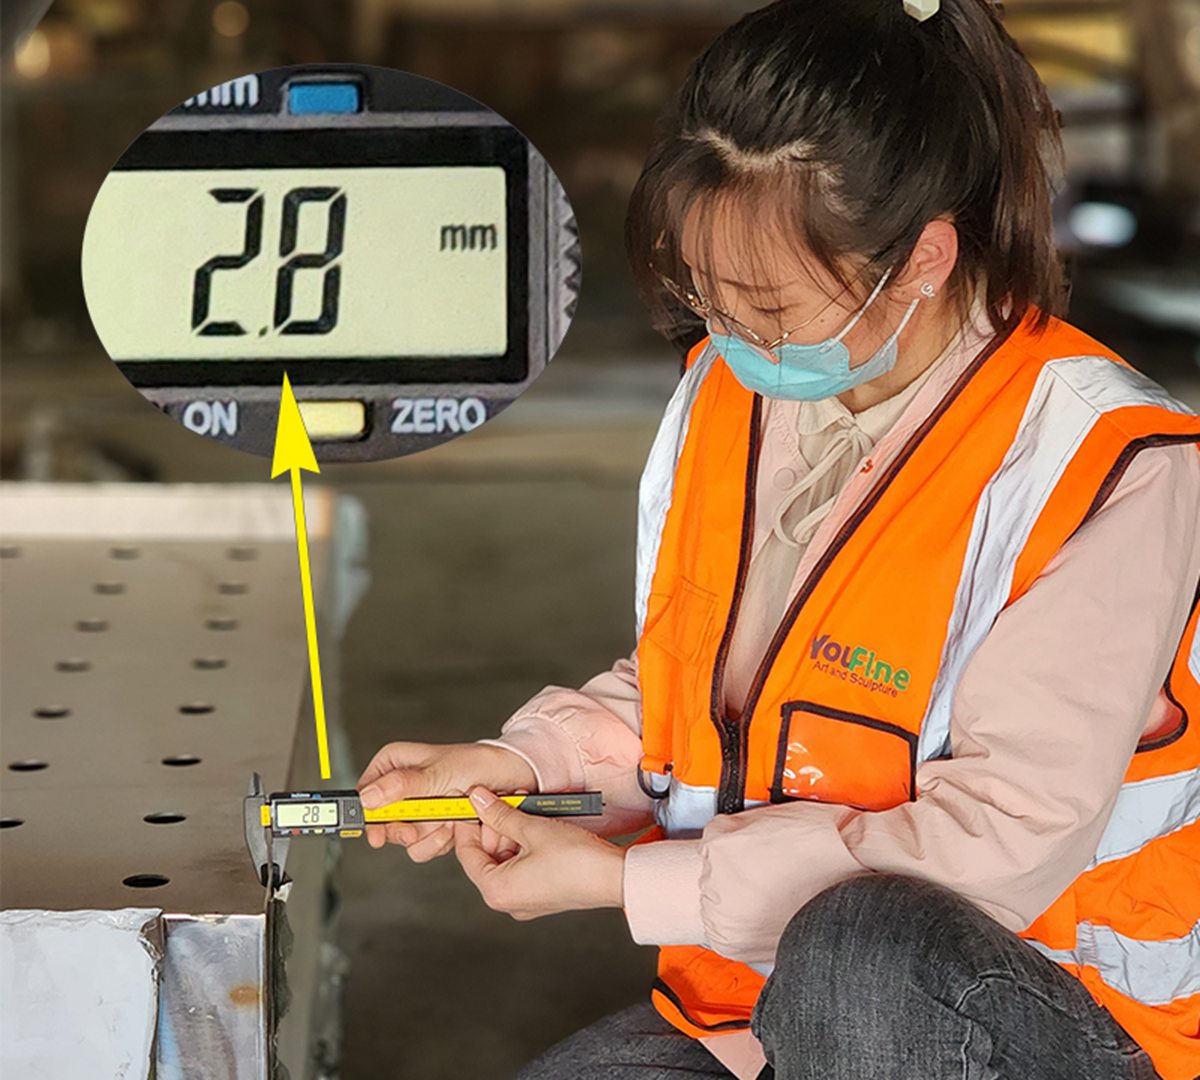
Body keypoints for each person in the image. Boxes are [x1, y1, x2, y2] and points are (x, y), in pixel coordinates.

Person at [357, 1, 1200, 1077]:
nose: (735, 340)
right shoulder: (729, 389)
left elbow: (994, 852)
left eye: (769, 308)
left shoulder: (1104, 464)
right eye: (705, 298)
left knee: (863, 948)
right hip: (758, 1015)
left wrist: (624, 884)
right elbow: (702, 700)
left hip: (1040, 1018)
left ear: (924, 260)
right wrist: (523, 766)